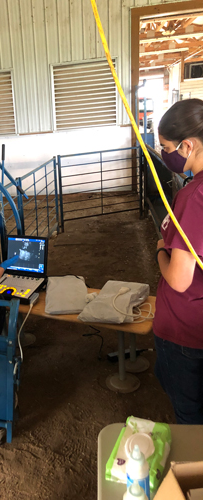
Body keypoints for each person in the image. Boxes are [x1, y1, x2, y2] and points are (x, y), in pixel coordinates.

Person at [154, 98, 203, 424]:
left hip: (186, 329)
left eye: (166, 147)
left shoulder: (193, 196)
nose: (163, 154)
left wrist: (161, 249)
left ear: (188, 145)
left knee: (190, 416)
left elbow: (179, 279)